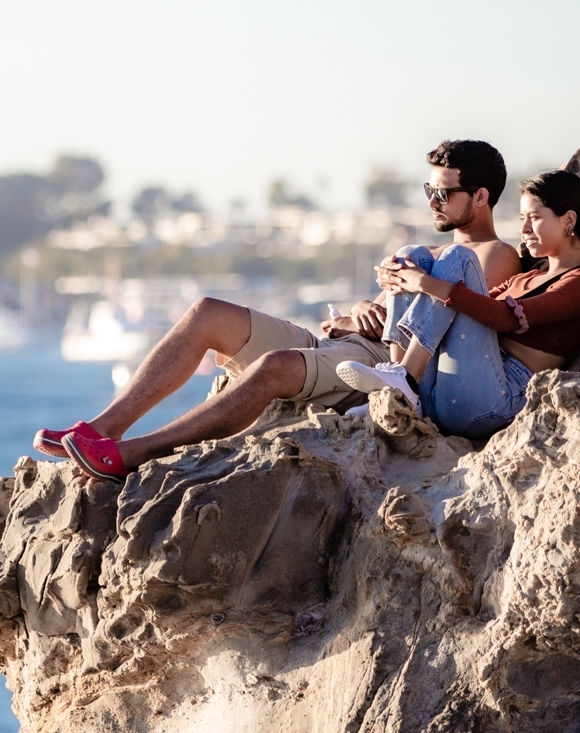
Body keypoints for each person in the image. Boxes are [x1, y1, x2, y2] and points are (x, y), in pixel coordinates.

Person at [39, 141, 521, 481]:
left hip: (380, 368)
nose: (433, 201)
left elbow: (465, 336)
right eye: (428, 190)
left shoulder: (494, 256)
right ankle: (103, 428)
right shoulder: (427, 252)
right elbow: (397, 312)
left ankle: (130, 454)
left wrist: (403, 304)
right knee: (207, 312)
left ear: (480, 197)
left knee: (274, 368)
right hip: (347, 342)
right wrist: (361, 311)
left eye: (445, 193)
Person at [335, 169, 580, 439]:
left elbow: (504, 318)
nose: (524, 229)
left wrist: (424, 283)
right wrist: (401, 275)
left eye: (534, 218)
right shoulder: (529, 276)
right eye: (522, 218)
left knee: (460, 257)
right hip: (452, 387)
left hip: (495, 398)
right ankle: (400, 392)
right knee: (412, 254)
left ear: (569, 220)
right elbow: (468, 305)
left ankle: (403, 382)